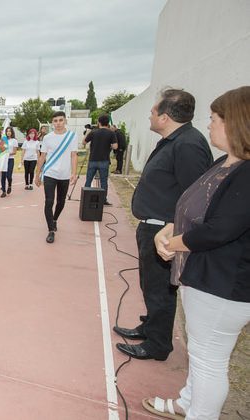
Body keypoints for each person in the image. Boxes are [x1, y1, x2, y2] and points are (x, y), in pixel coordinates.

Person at [141, 86, 250, 420]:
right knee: (199, 351)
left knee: (209, 361)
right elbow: (193, 205)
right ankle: (188, 402)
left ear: (237, 124)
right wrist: (170, 227)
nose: (210, 124)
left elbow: (220, 228)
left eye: (215, 118)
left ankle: (200, 413)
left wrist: (172, 243)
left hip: (221, 283)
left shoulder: (245, 173)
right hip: (202, 277)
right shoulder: (224, 164)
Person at [113, 89, 213, 362]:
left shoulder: (188, 145)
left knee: (160, 288)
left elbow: (195, 194)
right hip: (153, 226)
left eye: (154, 111)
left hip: (164, 230)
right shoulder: (173, 141)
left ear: (166, 117)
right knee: (150, 284)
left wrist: (172, 228)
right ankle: (150, 327)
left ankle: (157, 344)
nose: (150, 114)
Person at [35, 111, 78, 244]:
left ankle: (54, 219)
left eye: (60, 120)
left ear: (65, 121)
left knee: (61, 202)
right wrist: (37, 174)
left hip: (64, 174)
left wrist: (74, 173)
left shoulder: (72, 136)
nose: (58, 123)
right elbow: (42, 156)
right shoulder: (48, 137)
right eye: (55, 121)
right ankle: (51, 230)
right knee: (49, 201)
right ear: (52, 123)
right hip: (50, 173)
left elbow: (74, 155)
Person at [84, 114, 118, 206]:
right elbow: (115, 146)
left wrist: (88, 132)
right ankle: (103, 200)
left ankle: (86, 198)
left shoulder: (94, 132)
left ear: (99, 122)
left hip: (93, 159)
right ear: (108, 123)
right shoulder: (111, 133)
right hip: (104, 160)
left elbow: (84, 142)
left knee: (88, 180)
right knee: (104, 181)